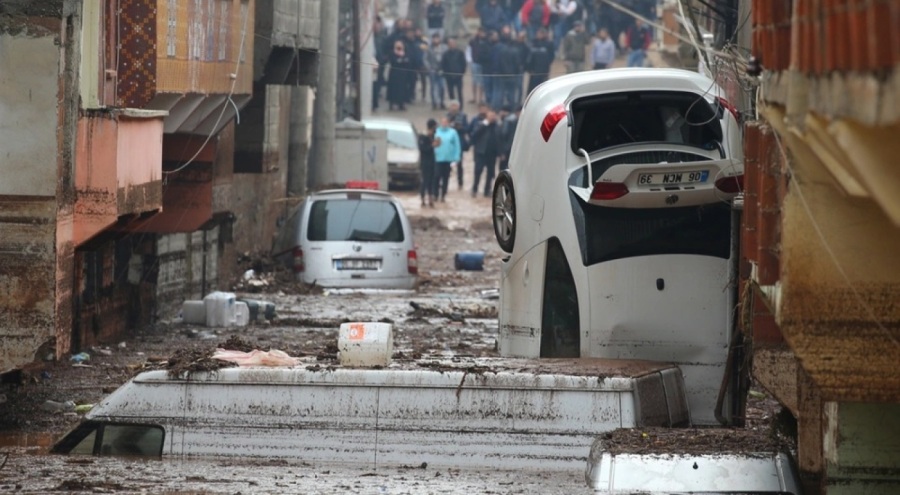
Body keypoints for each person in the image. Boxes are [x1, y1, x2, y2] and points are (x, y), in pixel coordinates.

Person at [470, 110, 501, 197]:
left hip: (492, 154)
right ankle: (474, 189)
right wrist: (485, 124)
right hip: (481, 153)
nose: (492, 117)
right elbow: (474, 135)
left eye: (494, 116)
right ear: (487, 116)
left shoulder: (497, 126)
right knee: (478, 171)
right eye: (491, 116)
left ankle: (487, 190)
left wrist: (500, 153)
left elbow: (499, 140)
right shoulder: (481, 124)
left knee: (490, 173)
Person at [434, 116, 462, 201]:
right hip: (437, 159)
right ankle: (435, 194)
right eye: (443, 122)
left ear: (448, 123)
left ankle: (443, 195)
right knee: (436, 177)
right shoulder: (436, 132)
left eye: (446, 122)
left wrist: (456, 157)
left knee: (445, 178)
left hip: (448, 159)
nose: (444, 124)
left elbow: (457, 145)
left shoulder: (453, 132)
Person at [446, 100, 470, 189]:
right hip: (448, 144)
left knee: (459, 164)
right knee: (447, 164)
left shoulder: (463, 116)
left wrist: (459, 127)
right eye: (452, 106)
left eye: (455, 106)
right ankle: (446, 181)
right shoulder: (447, 117)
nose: (454, 108)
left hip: (459, 143)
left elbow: (467, 129)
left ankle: (460, 182)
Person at [418, 119, 440, 207]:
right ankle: (423, 199)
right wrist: (432, 146)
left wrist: (436, 144)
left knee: (431, 181)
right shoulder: (423, 137)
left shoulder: (433, 136)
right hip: (425, 162)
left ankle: (430, 199)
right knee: (425, 181)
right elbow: (423, 149)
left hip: (432, 162)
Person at [526, 27, 554, 93]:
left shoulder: (549, 44)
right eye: (538, 33)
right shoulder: (533, 43)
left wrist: (547, 66)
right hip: (533, 71)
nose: (539, 35)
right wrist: (529, 68)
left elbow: (551, 56)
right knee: (532, 90)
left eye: (541, 33)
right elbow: (529, 57)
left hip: (544, 71)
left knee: (543, 89)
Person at [387, 39, 412, 110]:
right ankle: (392, 104)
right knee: (393, 89)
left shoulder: (405, 52)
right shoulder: (392, 52)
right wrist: (400, 61)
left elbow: (407, 61)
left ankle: (401, 103)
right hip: (394, 74)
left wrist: (401, 61)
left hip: (403, 75)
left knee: (402, 89)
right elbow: (393, 61)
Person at [441, 37, 467, 105]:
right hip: (449, 77)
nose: (452, 45)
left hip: (458, 76)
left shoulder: (460, 53)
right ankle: (453, 106)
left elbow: (463, 64)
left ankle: (460, 106)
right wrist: (445, 74)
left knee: (459, 92)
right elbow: (443, 65)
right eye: (450, 43)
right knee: (451, 92)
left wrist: (462, 73)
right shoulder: (445, 54)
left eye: (453, 43)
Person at [468, 28, 491, 104]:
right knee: (474, 81)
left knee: (481, 82)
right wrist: (470, 60)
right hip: (475, 63)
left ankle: (480, 98)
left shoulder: (487, 41)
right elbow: (468, 50)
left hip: (483, 64)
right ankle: (474, 97)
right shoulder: (473, 41)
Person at [426, 33, 448, 110]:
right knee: (433, 87)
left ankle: (441, 102)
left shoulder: (444, 48)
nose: (436, 40)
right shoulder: (429, 48)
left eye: (437, 38)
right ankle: (434, 103)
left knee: (442, 87)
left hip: (441, 70)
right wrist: (429, 67)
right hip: (433, 70)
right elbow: (425, 59)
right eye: (434, 38)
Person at [498, 105, 519, 171]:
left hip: (507, 149)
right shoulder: (512, 120)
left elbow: (503, 134)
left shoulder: (508, 121)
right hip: (510, 149)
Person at [512, 31, 531, 105]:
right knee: (513, 86)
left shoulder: (526, 47)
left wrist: (524, 66)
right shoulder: (514, 45)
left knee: (520, 86)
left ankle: (519, 101)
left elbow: (527, 58)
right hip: (513, 69)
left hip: (520, 69)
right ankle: (513, 101)